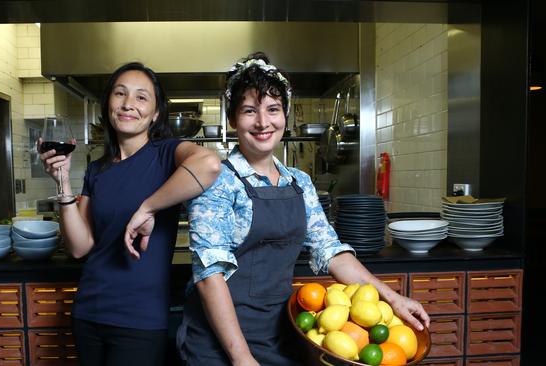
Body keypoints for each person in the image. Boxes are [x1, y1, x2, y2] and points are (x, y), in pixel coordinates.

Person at [176, 53, 430, 366]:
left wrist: (392, 297)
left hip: (283, 334)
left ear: (285, 115)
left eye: (272, 109)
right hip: (219, 344)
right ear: (232, 119)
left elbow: (331, 251)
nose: (262, 122)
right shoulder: (217, 181)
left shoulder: (299, 182)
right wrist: (241, 358)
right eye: (249, 111)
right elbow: (209, 275)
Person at [39, 62, 221, 366]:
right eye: (120, 94)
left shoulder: (167, 155)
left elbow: (210, 165)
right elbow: (79, 246)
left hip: (140, 319)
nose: (127, 104)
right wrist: (62, 183)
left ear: (156, 113)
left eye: (141, 97)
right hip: (89, 312)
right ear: (108, 104)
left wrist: (148, 207)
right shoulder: (97, 169)